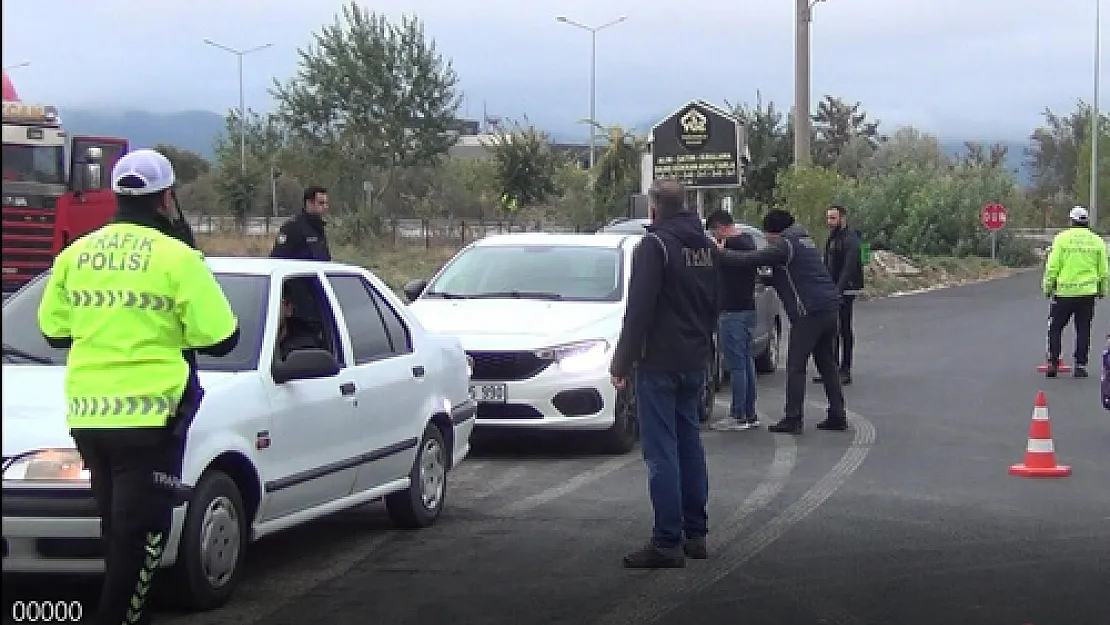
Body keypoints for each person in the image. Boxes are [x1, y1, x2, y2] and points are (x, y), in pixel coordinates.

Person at [37, 148, 241, 625]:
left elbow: (53, 330)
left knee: (115, 529)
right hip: (150, 419)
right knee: (144, 532)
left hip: (88, 417)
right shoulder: (178, 258)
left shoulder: (76, 255)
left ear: (115, 193)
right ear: (166, 198)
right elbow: (222, 337)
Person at [609, 179, 718, 568]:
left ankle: (667, 541)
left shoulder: (653, 246)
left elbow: (639, 311)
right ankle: (696, 534)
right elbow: (713, 303)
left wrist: (621, 364)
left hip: (658, 363)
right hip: (694, 361)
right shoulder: (705, 247)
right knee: (690, 445)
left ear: (652, 208)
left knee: (660, 453)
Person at [714, 209, 847, 434]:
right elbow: (783, 275)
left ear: (774, 233)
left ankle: (793, 418)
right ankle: (837, 413)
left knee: (796, 365)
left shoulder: (785, 245)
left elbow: (750, 259)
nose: (766, 240)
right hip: (829, 308)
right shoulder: (804, 240)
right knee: (827, 364)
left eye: (767, 235)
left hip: (809, 312)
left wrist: (718, 253)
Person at [704, 209, 760, 431]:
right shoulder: (748, 242)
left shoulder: (734, 246)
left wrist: (718, 252)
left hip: (734, 312)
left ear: (721, 227)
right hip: (746, 309)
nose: (716, 237)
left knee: (736, 365)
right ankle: (749, 412)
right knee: (746, 362)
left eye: (715, 232)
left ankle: (738, 414)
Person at [1041, 205, 1108, 378]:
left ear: (1071, 221)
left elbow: (1052, 266)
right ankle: (1080, 365)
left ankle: (1053, 362)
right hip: (1087, 293)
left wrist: (1047, 287)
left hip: (1064, 292)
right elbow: (1104, 270)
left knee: (1055, 327)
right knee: (1083, 328)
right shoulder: (1097, 241)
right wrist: (1102, 289)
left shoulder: (1062, 239)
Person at [814, 204, 864, 386]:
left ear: (843, 218)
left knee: (844, 328)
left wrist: (839, 289)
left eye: (833, 218)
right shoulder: (832, 238)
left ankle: (845, 369)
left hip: (846, 290)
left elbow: (849, 267)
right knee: (831, 330)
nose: (829, 222)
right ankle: (832, 369)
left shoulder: (850, 239)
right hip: (832, 289)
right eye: (828, 218)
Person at [270, 185, 331, 261]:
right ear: (309, 203)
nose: (325, 207)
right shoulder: (292, 227)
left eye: (326, 203)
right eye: (321, 203)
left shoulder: (319, 227)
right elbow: (277, 259)